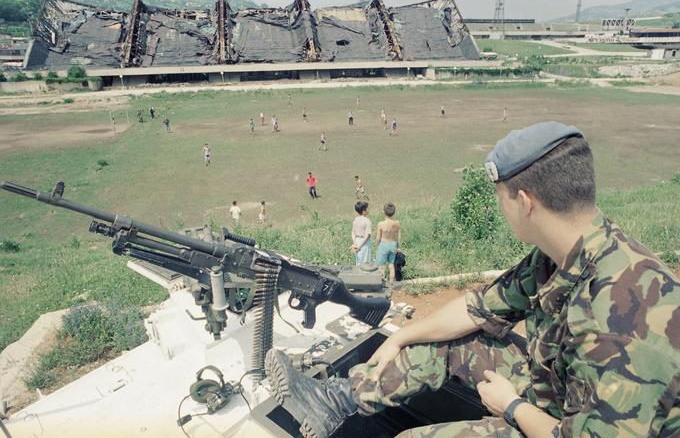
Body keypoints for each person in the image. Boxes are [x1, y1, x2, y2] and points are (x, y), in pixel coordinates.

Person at [265, 122, 680, 438]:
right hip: (562, 392)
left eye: (501, 198)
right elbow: (476, 307)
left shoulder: (624, 322)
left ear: (524, 202)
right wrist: (401, 338)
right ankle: (335, 400)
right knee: (445, 341)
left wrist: (513, 407)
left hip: (574, 425)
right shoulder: (574, 249)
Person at [375, 202, 401, 284]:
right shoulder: (397, 223)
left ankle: (382, 284)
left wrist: (377, 245)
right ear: (394, 212)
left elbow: (378, 238)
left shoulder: (380, 224)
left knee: (382, 267)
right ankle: (392, 284)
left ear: (383, 211)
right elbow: (399, 237)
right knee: (391, 266)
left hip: (383, 245)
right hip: (393, 245)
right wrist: (398, 247)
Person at [350, 201, 371, 266]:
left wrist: (355, 243)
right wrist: (360, 246)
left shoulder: (356, 219)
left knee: (358, 261)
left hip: (357, 241)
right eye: (367, 209)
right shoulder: (367, 220)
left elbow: (353, 232)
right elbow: (368, 235)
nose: (368, 210)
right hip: (364, 243)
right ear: (363, 211)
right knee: (365, 262)